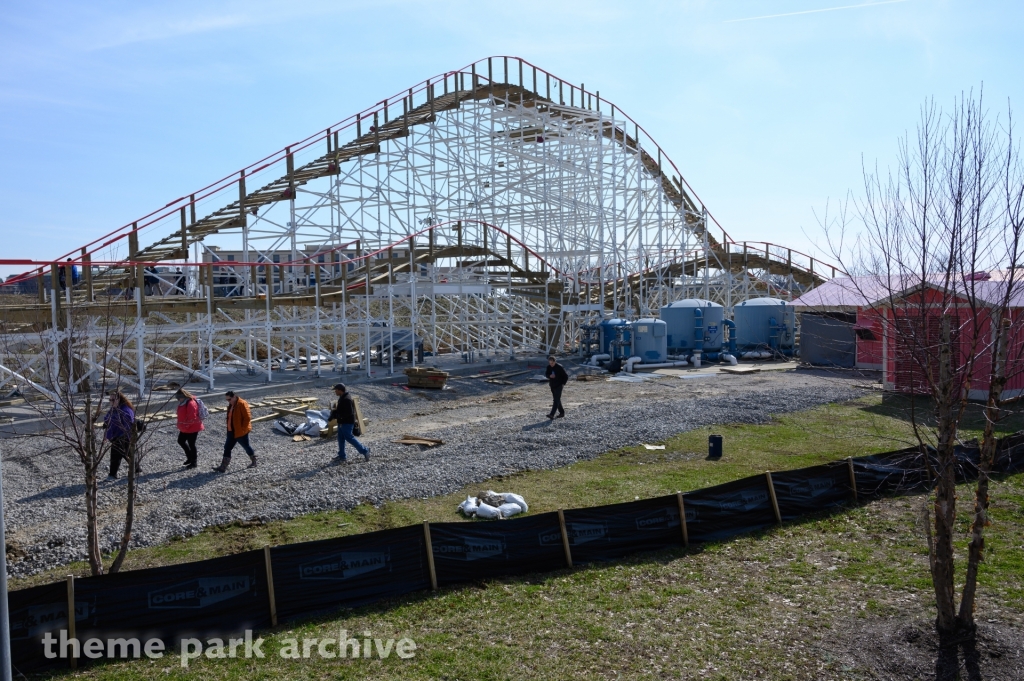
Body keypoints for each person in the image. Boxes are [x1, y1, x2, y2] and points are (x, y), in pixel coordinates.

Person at [213, 391, 257, 472]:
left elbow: (247, 418)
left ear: (234, 397)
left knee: (246, 446)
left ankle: (254, 461)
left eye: (229, 399)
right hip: (231, 431)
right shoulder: (232, 404)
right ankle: (223, 467)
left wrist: (242, 429)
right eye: (227, 400)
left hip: (240, 432)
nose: (228, 401)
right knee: (227, 448)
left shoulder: (242, 403)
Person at [328, 383, 369, 462]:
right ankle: (342, 456)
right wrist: (334, 413)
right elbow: (342, 410)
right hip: (342, 422)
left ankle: (365, 450)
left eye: (336, 390)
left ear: (340, 390)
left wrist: (338, 416)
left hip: (346, 423)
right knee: (341, 439)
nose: (335, 392)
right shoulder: (342, 397)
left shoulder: (346, 399)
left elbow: (349, 413)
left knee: (349, 438)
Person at [103, 390, 135, 480]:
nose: (111, 402)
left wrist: (123, 436)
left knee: (115, 456)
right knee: (126, 454)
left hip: (122, 437)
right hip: (115, 437)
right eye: (110, 400)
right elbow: (107, 419)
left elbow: (128, 425)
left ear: (119, 399)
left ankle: (112, 474)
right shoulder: (114, 409)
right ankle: (136, 468)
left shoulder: (125, 411)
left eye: (112, 400)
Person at [174, 388, 203, 469]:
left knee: (191, 444)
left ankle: (194, 462)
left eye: (178, 398)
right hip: (185, 426)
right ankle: (189, 457)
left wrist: (186, 426)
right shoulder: (183, 402)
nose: (178, 400)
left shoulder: (190, 403)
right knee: (181, 441)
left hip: (192, 426)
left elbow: (192, 417)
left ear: (183, 396)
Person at [544, 355, 568, 420]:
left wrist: (563, 384)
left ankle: (552, 414)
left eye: (552, 363)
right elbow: (546, 374)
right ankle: (562, 412)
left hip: (559, 385)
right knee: (557, 399)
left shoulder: (560, 367)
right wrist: (549, 376)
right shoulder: (549, 367)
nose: (551, 364)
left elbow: (566, 376)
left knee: (556, 400)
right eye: (550, 363)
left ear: (555, 361)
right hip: (552, 385)